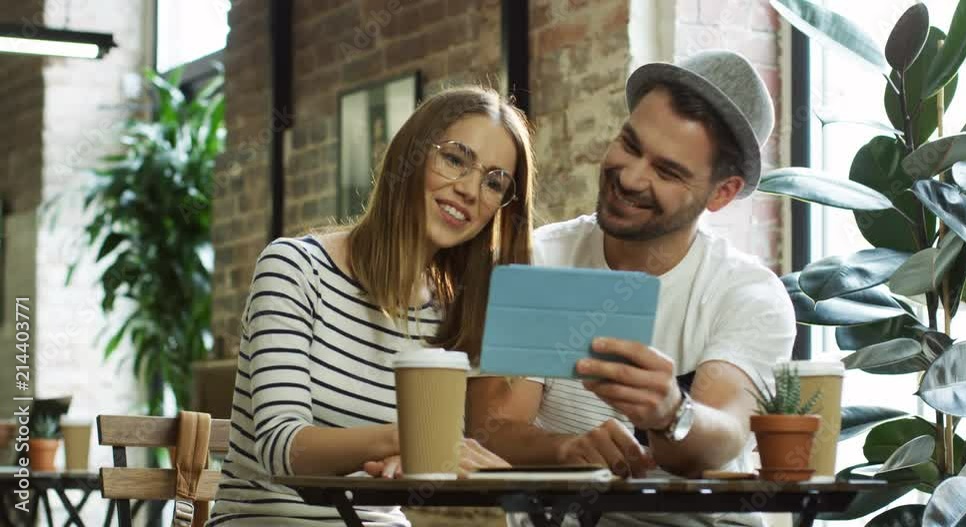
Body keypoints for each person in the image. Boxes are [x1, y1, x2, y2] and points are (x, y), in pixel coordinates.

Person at [467, 51, 796, 527]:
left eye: (667, 171)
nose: (630, 176)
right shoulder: (543, 258)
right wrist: (567, 450)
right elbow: (492, 428)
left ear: (721, 193)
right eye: (629, 144)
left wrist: (670, 412)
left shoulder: (747, 294)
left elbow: (722, 435)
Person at [208, 86, 535, 526]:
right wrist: (402, 440)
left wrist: (410, 459)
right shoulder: (295, 269)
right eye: (455, 159)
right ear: (412, 154)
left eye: (495, 182)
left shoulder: (453, 315)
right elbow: (279, 449)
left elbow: (426, 467)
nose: (470, 190)